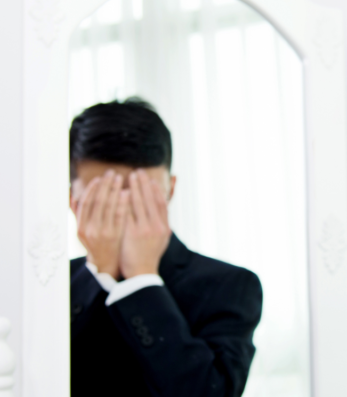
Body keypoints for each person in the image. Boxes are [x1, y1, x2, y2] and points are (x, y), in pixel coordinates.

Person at [68, 98, 262, 397]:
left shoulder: (229, 287)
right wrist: (100, 272)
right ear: (73, 201)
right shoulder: (54, 286)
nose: (122, 209)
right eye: (104, 196)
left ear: (170, 190)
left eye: (140, 195)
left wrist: (141, 279)